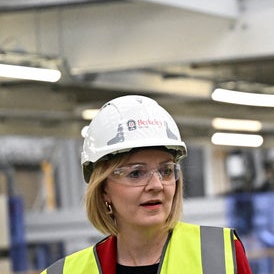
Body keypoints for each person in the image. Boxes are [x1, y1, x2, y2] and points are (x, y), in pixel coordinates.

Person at [41, 95, 252, 274]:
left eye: (166, 171)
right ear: (103, 189)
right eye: (136, 173)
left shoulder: (221, 255)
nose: (156, 185)